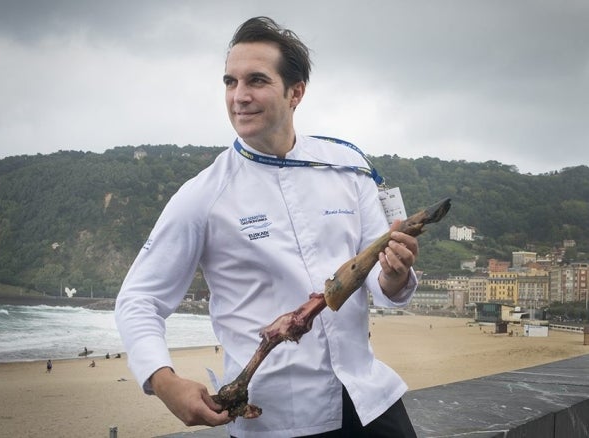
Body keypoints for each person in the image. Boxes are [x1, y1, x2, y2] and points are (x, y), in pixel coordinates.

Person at [115, 16, 420, 438]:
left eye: (256, 80)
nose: (239, 96)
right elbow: (138, 299)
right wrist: (164, 382)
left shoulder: (347, 167)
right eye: (230, 82)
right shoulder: (203, 195)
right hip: (278, 420)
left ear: (296, 93)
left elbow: (385, 284)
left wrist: (394, 272)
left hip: (370, 401)